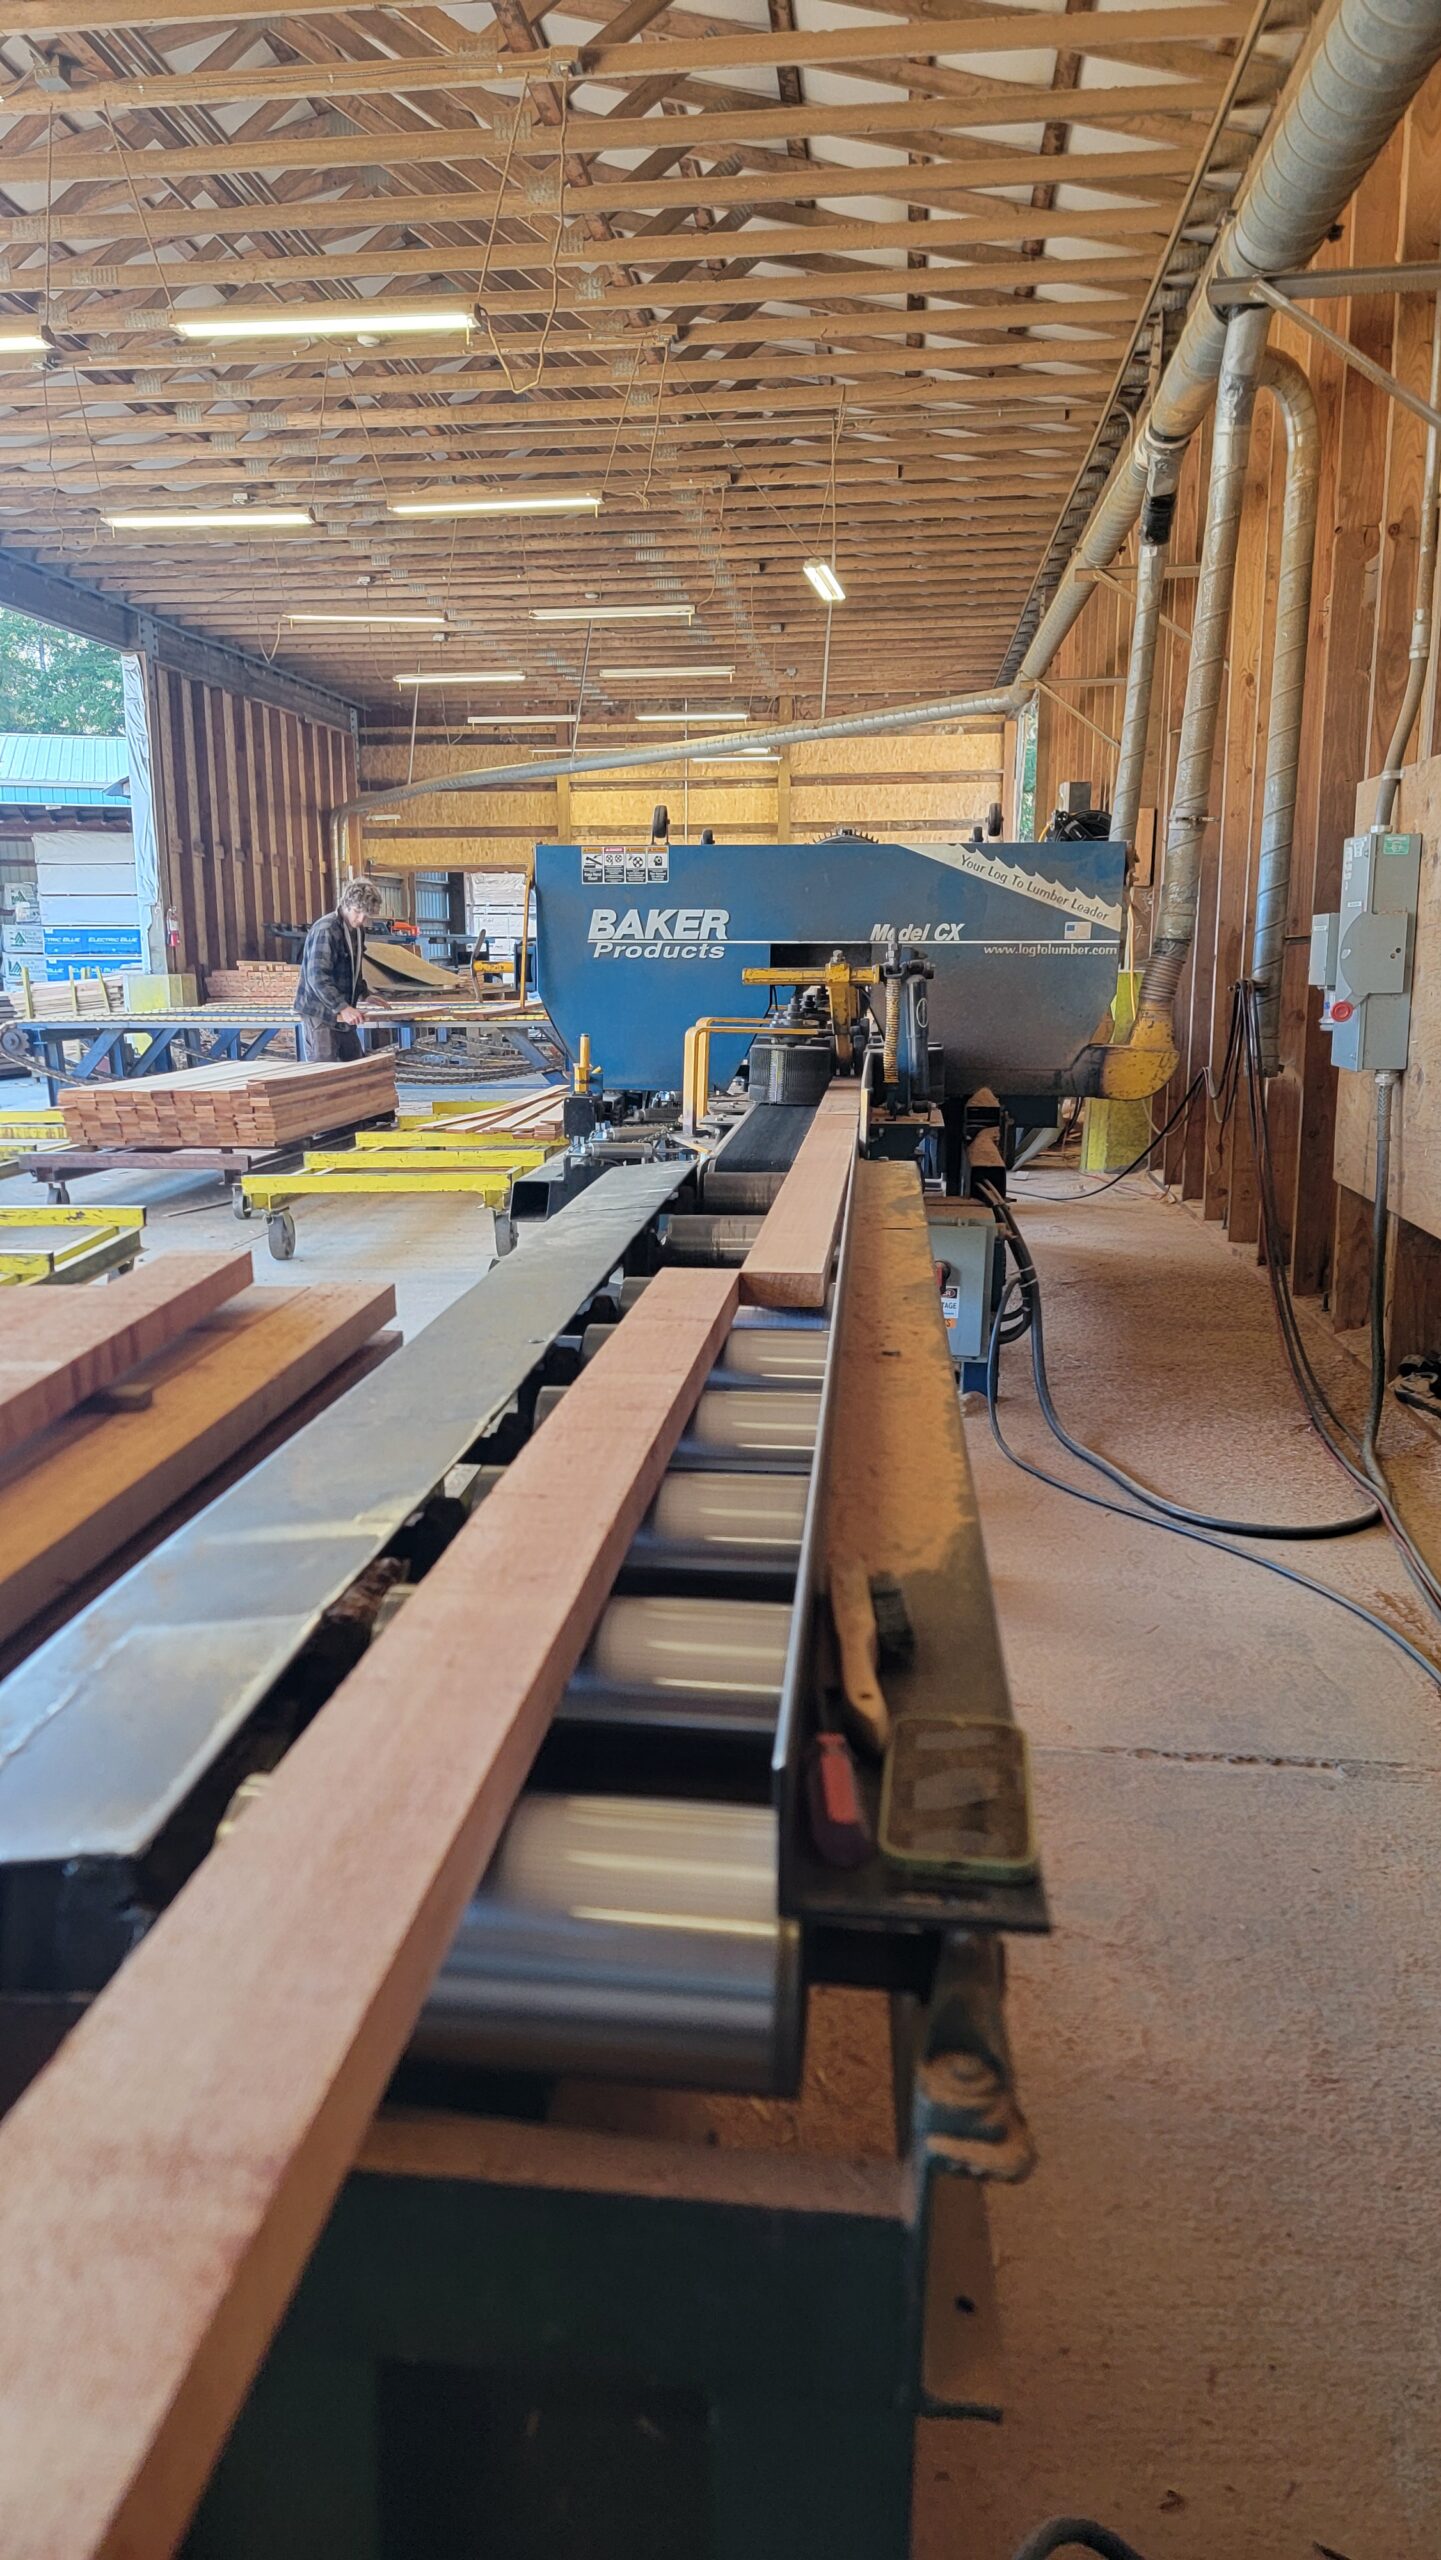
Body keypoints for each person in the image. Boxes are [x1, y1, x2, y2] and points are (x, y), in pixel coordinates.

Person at [295, 877, 384, 1061]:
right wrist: (342, 1007)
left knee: (355, 1065)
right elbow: (317, 976)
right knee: (326, 1069)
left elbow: (353, 969)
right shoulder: (326, 929)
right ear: (346, 904)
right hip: (321, 1013)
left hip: (343, 1013)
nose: (361, 919)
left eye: (366, 915)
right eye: (357, 912)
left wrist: (364, 994)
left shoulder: (357, 931)